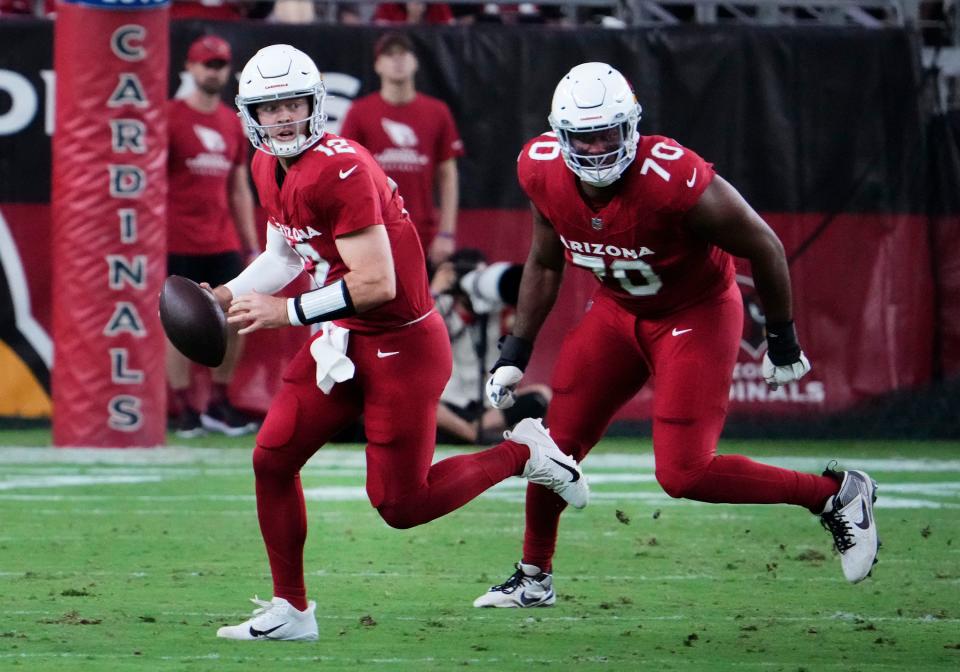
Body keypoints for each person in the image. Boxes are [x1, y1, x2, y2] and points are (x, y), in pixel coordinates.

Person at [208, 44, 588, 641]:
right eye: (269, 106)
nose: (282, 117)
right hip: (341, 337)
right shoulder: (265, 165)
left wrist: (289, 312)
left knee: (400, 505)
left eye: (292, 103)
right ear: (249, 112)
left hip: (399, 344)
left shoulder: (341, 168)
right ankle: (292, 610)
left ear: (316, 103)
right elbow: (284, 255)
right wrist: (225, 295)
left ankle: (524, 453)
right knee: (271, 458)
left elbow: (377, 283)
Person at [474, 62, 881, 608]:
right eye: (582, 137)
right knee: (552, 446)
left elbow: (764, 245)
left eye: (606, 135)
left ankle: (835, 495)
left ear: (631, 127)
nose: (595, 150)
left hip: (695, 314)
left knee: (684, 472)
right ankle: (533, 576)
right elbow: (545, 262)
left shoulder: (672, 177)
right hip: (618, 311)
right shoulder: (540, 168)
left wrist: (782, 337)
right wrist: (515, 351)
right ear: (558, 136)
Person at [166, 34, 260, 438]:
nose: (213, 71)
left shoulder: (230, 123)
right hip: (177, 239)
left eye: (220, 64)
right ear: (189, 68)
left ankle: (219, 402)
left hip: (221, 239)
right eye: (206, 64)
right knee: (177, 323)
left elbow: (239, 187)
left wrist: (251, 244)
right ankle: (185, 407)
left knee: (236, 316)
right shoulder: (169, 116)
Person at [339, 32, 464, 268]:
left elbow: (448, 176)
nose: (397, 60)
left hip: (422, 232)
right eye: (389, 54)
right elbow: (345, 176)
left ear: (415, 61)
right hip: (374, 230)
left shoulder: (437, 112)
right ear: (377, 65)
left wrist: (446, 233)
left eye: (403, 53)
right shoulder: (360, 112)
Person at [431, 249, 551, 444]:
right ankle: (471, 434)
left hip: (487, 406)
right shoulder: (441, 305)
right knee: (419, 403)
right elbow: (418, 330)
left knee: (541, 395)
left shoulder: (496, 307)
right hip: (447, 402)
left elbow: (522, 301)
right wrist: (435, 290)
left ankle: (465, 432)